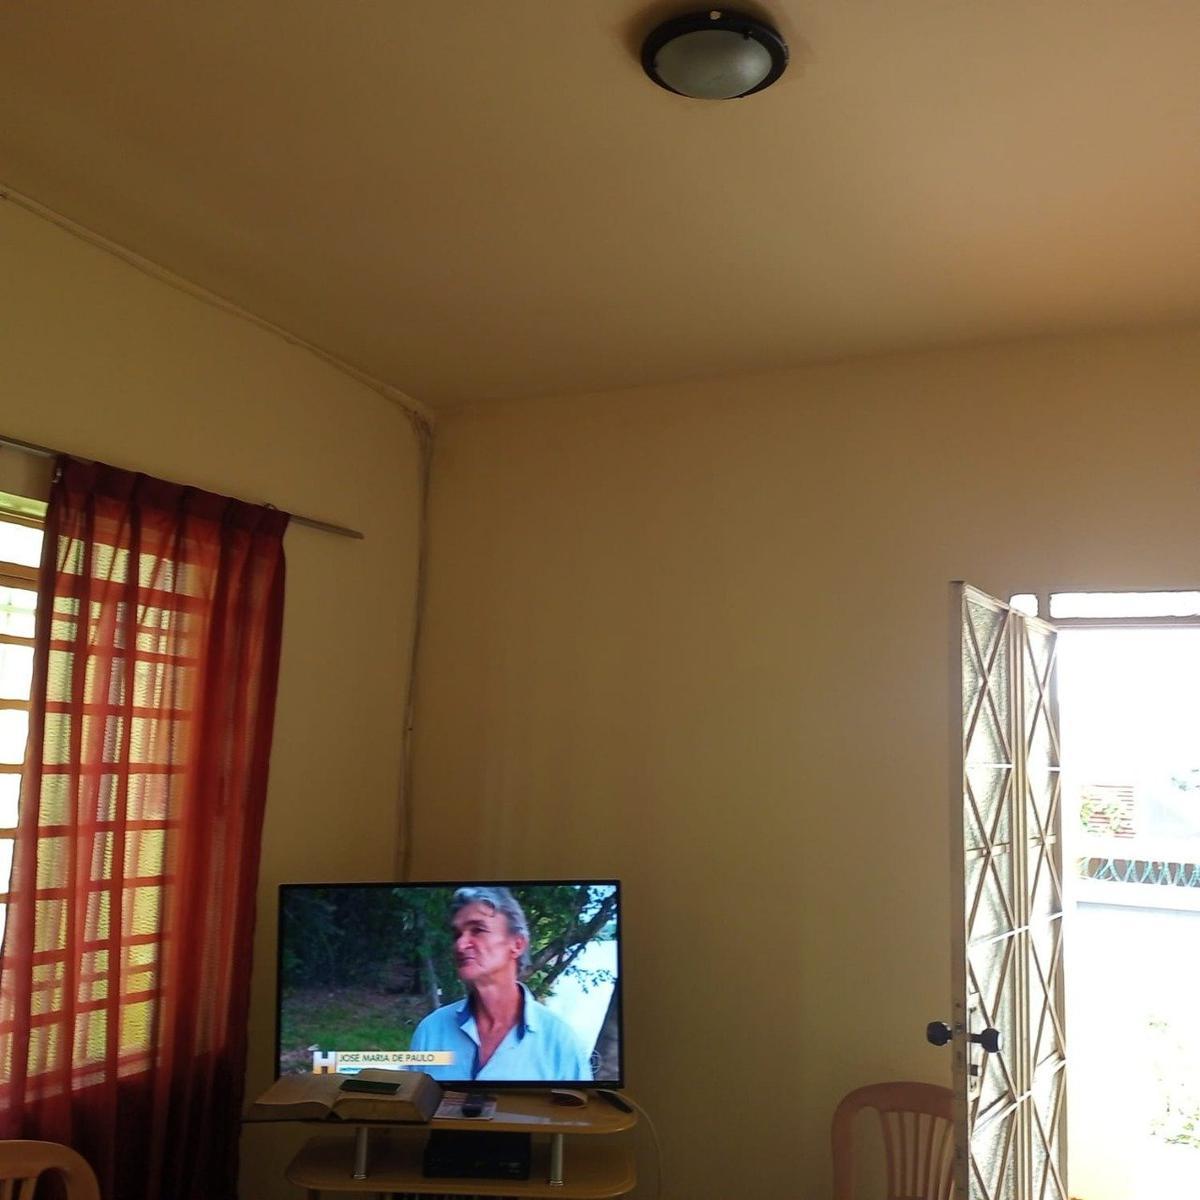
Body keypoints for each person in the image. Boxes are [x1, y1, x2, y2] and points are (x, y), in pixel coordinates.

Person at [408, 886, 593, 1082]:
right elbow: (411, 1100)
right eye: (457, 935)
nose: (460, 945)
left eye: (478, 930)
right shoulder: (432, 1030)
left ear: (517, 944)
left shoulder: (560, 1042)